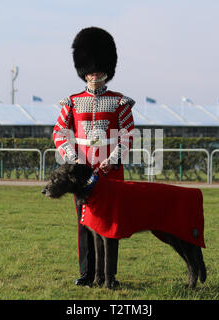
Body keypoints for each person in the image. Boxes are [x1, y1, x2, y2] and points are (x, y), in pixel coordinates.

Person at [52, 26, 135, 286]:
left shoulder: (120, 102)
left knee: (110, 225)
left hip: (110, 173)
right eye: (89, 70)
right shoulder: (73, 102)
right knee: (85, 222)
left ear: (106, 69)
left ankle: (109, 276)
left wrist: (113, 160)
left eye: (98, 69)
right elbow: (59, 132)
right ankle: (88, 274)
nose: (93, 74)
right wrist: (73, 158)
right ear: (83, 70)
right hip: (82, 173)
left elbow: (128, 134)